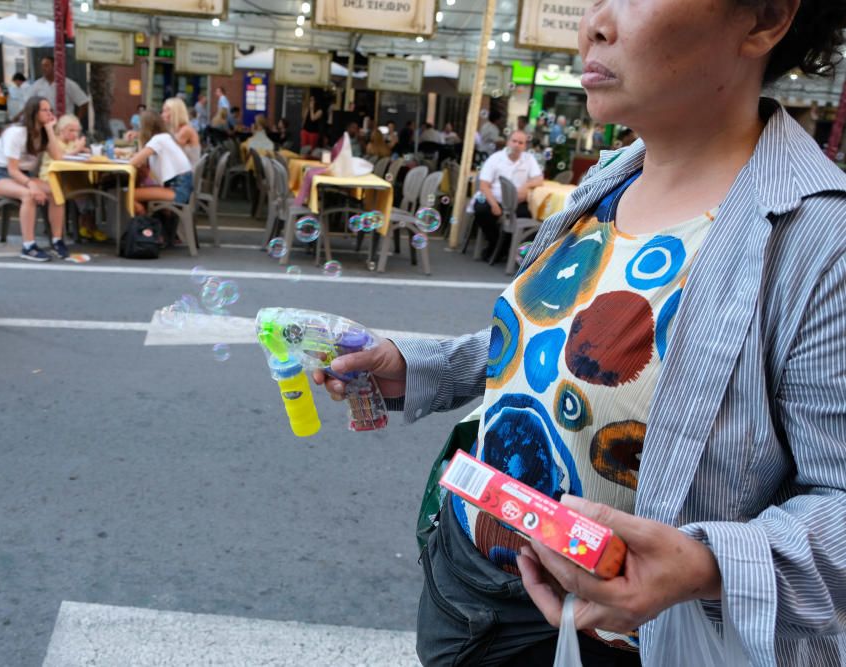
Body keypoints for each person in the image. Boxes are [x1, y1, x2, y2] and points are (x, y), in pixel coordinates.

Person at [317, 1, 846, 665]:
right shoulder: (608, 180)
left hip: (615, 640)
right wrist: (418, 366)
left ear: (764, 19)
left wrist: (704, 563)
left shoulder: (821, 241)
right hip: (467, 585)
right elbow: (553, 348)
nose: (593, 22)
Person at [0, 96, 68, 262]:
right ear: (33, 113)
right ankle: (28, 246)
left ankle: (57, 240)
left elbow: (58, 157)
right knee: (29, 195)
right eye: (44, 110)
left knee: (56, 192)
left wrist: (50, 130)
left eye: (50, 110)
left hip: (24, 175)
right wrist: (31, 185)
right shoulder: (16, 133)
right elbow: (12, 170)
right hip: (1, 175)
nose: (49, 113)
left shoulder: (42, 133)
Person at [472, 130, 543, 260]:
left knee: (529, 215)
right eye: (514, 141)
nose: (516, 145)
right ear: (508, 142)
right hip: (493, 198)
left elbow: (539, 179)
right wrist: (493, 204)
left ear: (525, 146)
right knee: (481, 210)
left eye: (520, 143)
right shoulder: (495, 158)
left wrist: (526, 186)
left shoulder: (529, 159)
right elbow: (483, 185)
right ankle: (495, 244)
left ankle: (504, 248)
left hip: (516, 202)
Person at [37, 114, 106, 243]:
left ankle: (87, 224)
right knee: (81, 185)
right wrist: (77, 149)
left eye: (77, 131)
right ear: (61, 130)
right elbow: (61, 157)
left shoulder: (72, 142)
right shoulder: (55, 141)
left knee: (86, 184)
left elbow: (78, 154)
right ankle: (86, 224)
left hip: (68, 176)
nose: (75, 134)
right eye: (71, 130)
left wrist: (86, 151)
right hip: (51, 176)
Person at [129, 110, 193, 215]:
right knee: (137, 191)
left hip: (178, 190)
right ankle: (147, 223)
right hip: (180, 186)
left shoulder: (159, 140)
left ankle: (146, 225)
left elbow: (132, 162)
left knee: (129, 195)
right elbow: (143, 165)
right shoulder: (164, 137)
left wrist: (140, 139)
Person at [19, 56, 89, 120]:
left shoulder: (68, 84)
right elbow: (28, 103)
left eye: (46, 66)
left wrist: (76, 121)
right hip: (45, 125)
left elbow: (83, 103)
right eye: (42, 66)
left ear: (55, 67)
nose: (43, 68)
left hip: (63, 124)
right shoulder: (37, 84)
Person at [162, 97, 201, 165]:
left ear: (175, 113)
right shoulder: (176, 129)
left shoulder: (186, 130)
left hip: (187, 172)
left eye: (165, 111)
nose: (162, 115)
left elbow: (168, 152)